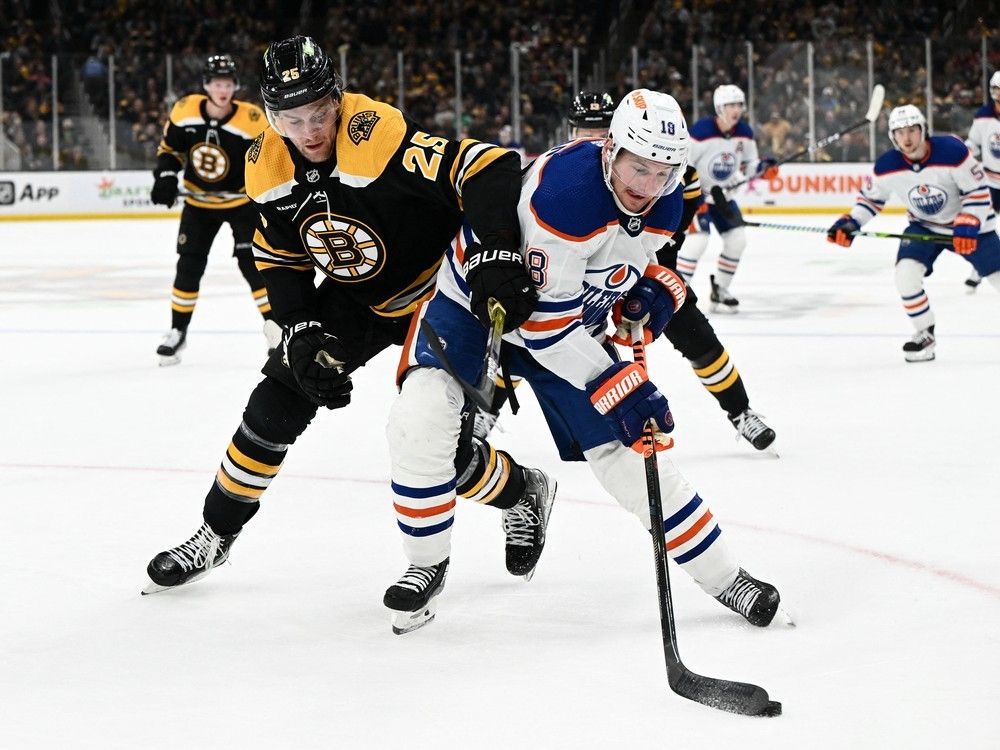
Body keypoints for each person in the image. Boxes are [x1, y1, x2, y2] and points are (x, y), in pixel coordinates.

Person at [143, 36, 550, 594]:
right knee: (277, 399)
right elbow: (278, 256)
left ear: (337, 99)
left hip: (442, 298)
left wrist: (495, 250)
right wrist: (300, 327)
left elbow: (488, 165)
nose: (309, 131)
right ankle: (215, 534)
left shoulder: (380, 138)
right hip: (356, 299)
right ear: (270, 117)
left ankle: (522, 490)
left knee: (443, 451)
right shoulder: (266, 166)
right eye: (291, 118)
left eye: (318, 113)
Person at [384, 89, 782, 634]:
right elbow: (541, 327)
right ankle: (424, 563)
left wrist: (649, 290)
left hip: (563, 321)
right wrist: (621, 383)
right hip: (475, 310)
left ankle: (725, 577)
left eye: (662, 171)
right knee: (422, 419)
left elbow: (629, 264)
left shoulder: (664, 200)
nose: (645, 186)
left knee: (627, 454)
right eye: (637, 167)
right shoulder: (566, 198)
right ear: (610, 149)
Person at [828, 104, 1000, 362]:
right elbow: (871, 200)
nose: (906, 138)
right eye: (899, 133)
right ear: (892, 136)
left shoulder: (953, 152)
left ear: (923, 130)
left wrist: (969, 221)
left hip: (971, 229)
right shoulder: (887, 165)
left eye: (912, 130)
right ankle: (924, 334)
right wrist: (851, 222)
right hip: (925, 228)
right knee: (905, 276)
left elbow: (977, 191)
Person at [150, 54, 276, 365]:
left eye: (228, 84)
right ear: (206, 85)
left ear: (235, 86)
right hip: (198, 205)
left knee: (255, 267)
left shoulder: (252, 119)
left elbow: (268, 160)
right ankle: (177, 332)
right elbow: (170, 150)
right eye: (217, 83)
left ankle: (278, 332)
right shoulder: (184, 110)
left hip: (241, 204)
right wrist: (165, 176)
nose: (223, 89)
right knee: (188, 267)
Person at [677, 84, 778, 311]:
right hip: (697, 195)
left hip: (723, 197)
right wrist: (691, 200)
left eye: (739, 105)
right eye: (731, 105)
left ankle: (720, 289)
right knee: (697, 241)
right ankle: (678, 293)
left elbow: (751, 164)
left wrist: (763, 168)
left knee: (737, 241)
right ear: (720, 107)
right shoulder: (701, 132)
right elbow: (683, 167)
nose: (736, 110)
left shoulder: (745, 133)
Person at [963, 71, 1000, 292]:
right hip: (991, 183)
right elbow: (973, 144)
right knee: (984, 229)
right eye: (996, 90)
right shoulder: (983, 116)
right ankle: (977, 271)